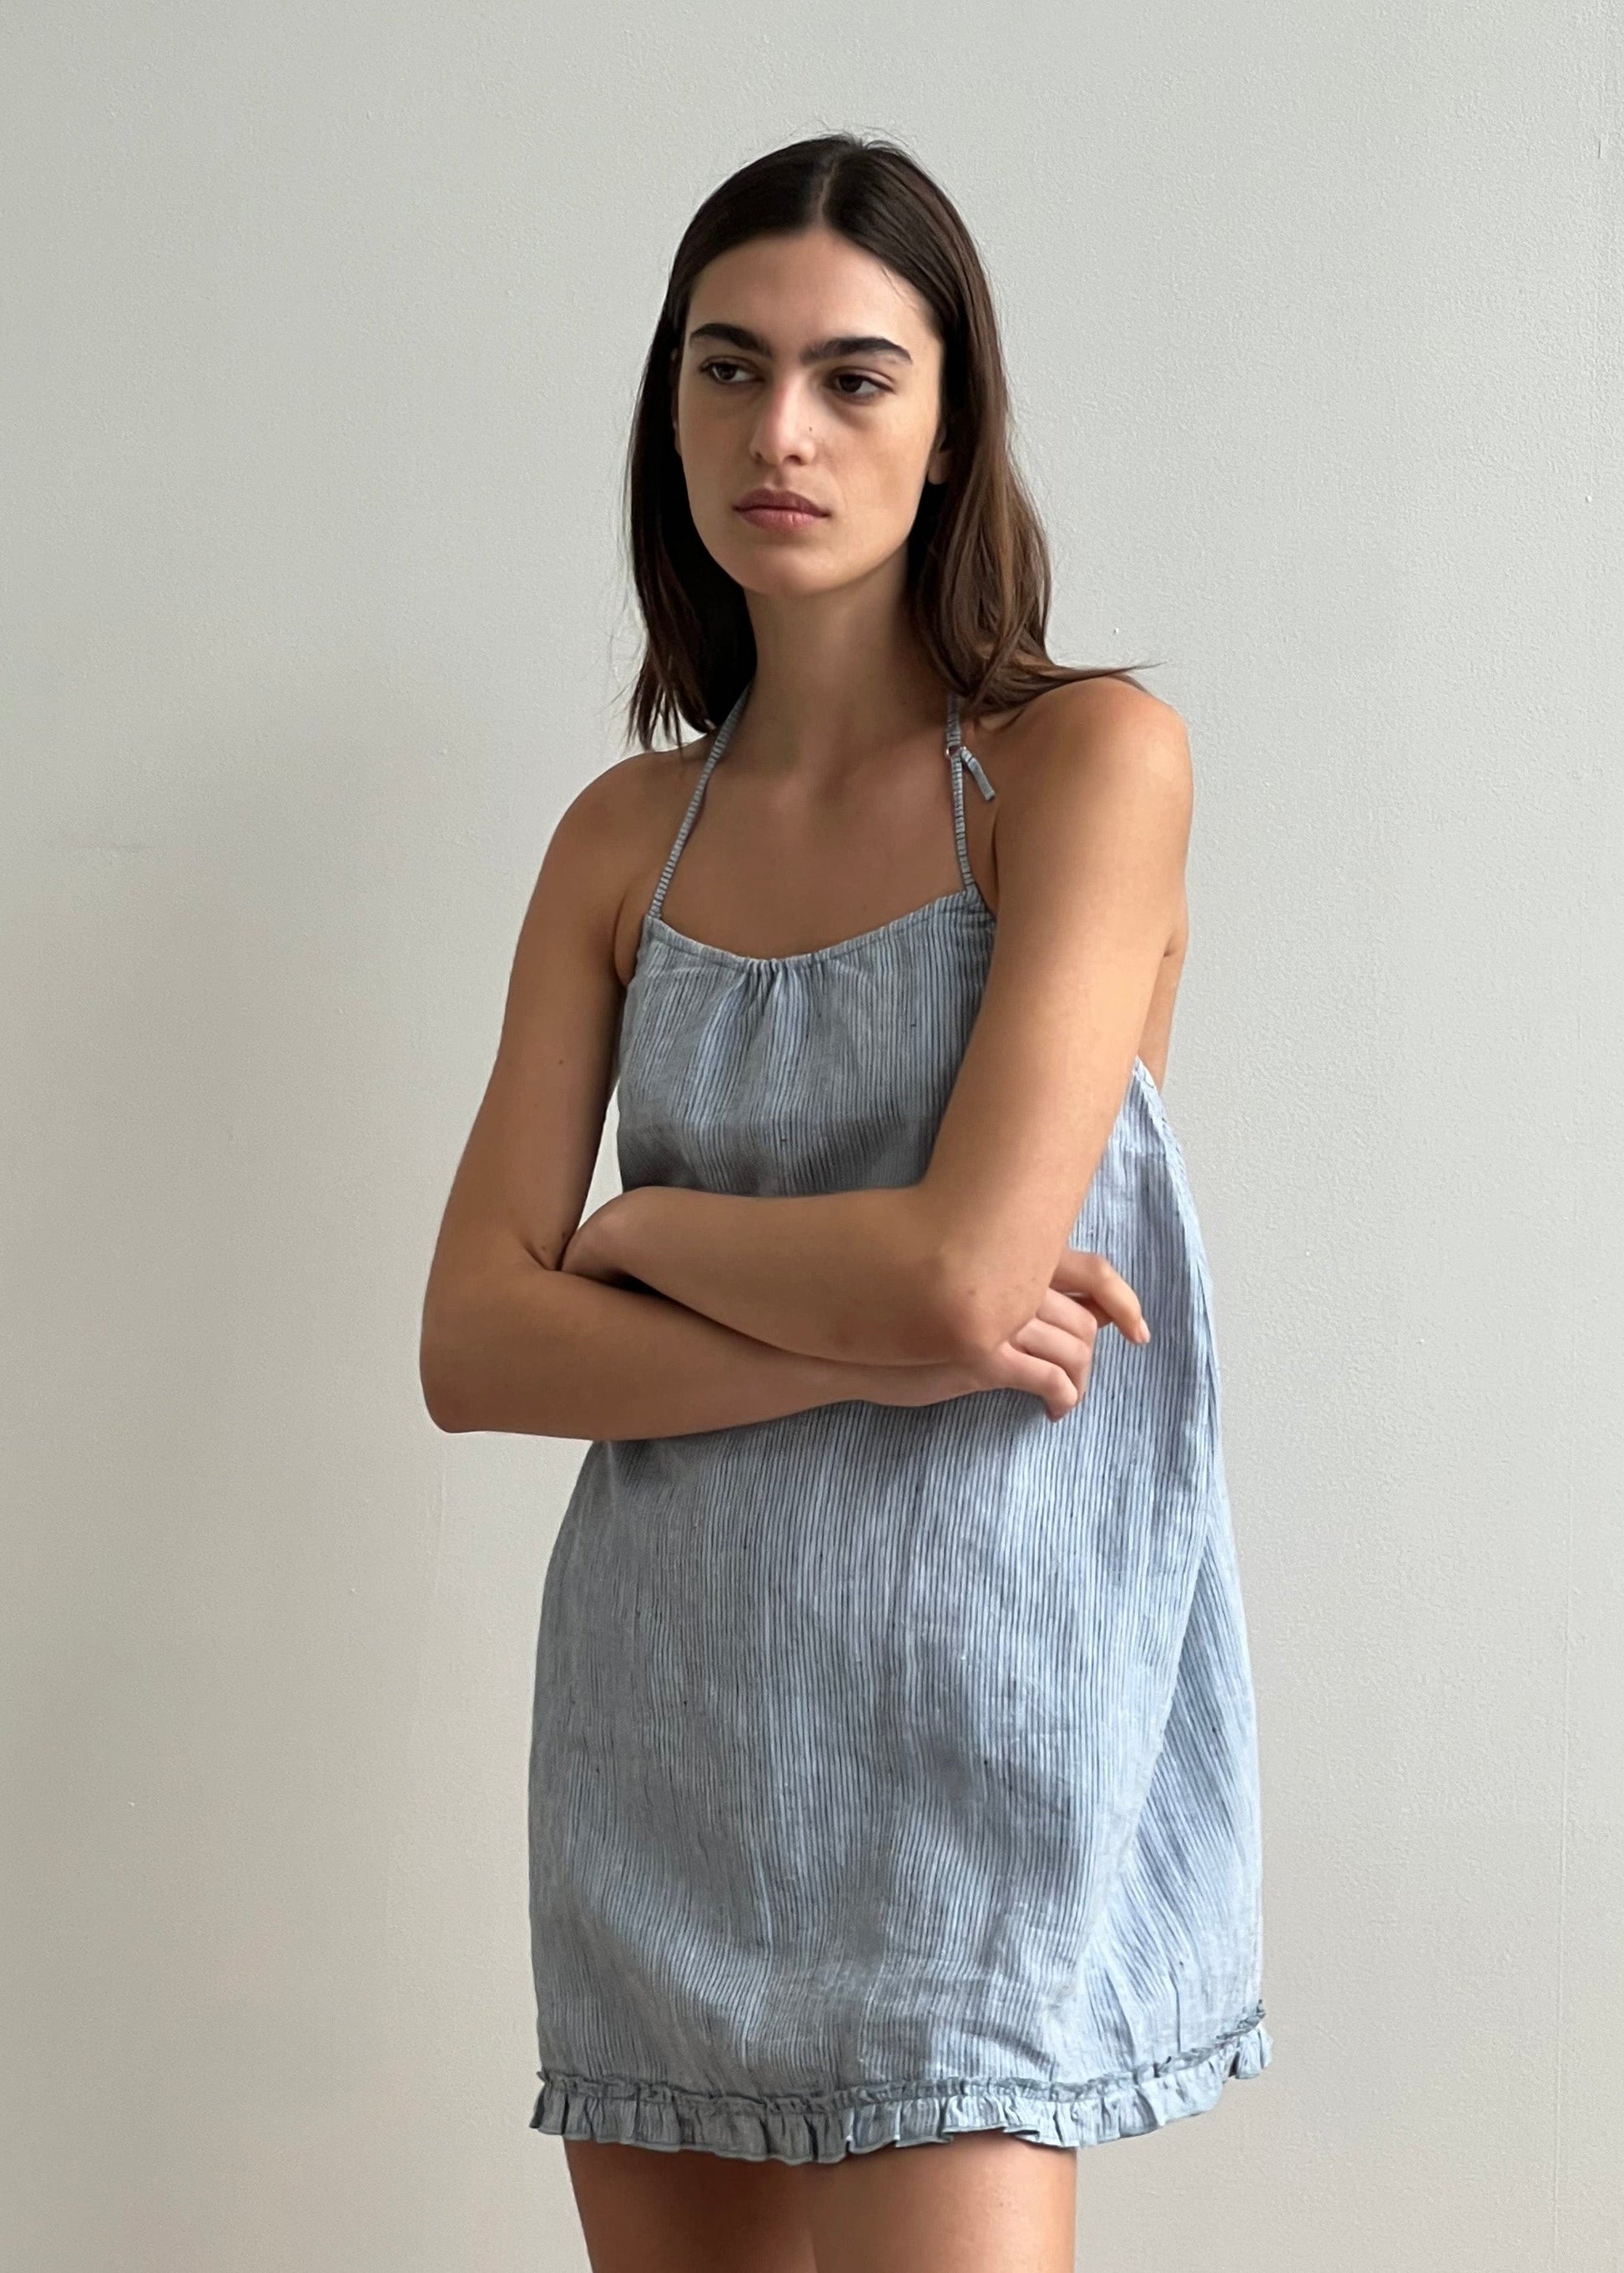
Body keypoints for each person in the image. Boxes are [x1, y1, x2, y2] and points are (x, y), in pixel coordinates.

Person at [420, 131, 1269, 2273]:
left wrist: (645, 1240)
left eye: (851, 375)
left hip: (982, 1721)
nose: (776, 429)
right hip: (664, 1733)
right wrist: (886, 1338)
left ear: (952, 420)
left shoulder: (1088, 767)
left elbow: (969, 1271)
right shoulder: (623, 840)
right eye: (725, 369)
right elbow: (469, 1346)